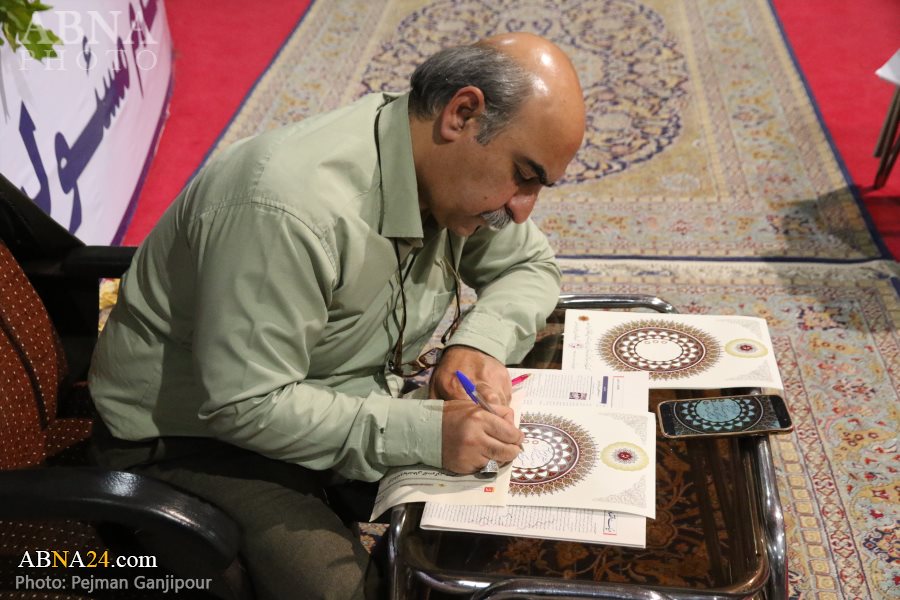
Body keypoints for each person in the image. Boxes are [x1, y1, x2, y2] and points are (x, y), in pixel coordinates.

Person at [88, 32, 586, 599]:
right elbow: (245, 404)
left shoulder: (443, 173)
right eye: (523, 175)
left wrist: (479, 343)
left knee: (518, 535)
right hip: (195, 437)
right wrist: (427, 433)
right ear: (462, 114)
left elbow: (531, 266)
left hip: (339, 390)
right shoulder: (288, 210)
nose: (522, 211)